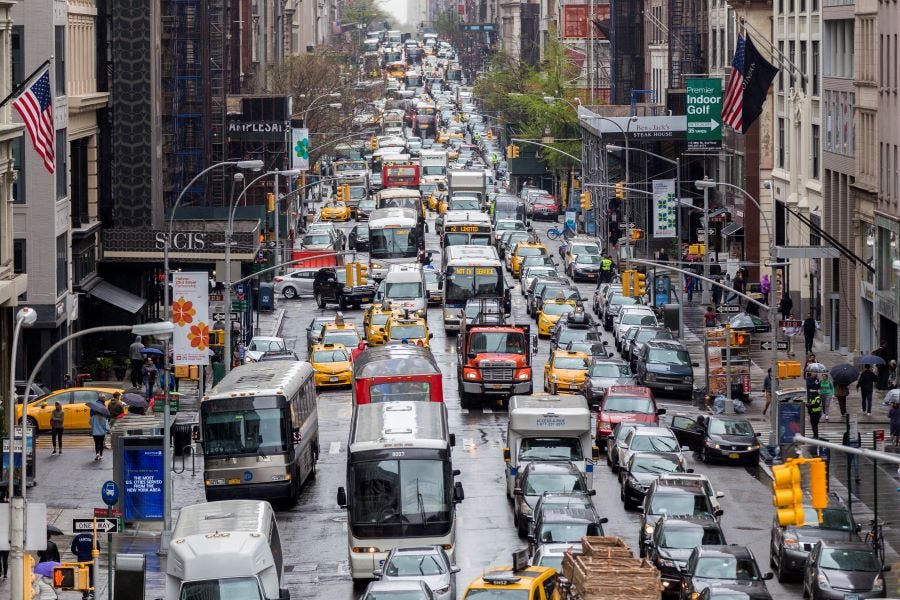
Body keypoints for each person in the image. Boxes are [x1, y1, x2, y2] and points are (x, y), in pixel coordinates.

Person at [71, 529, 98, 599]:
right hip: (90, 559)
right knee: (91, 575)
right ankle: (91, 591)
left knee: (83, 576)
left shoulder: (77, 537)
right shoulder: (92, 537)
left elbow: (73, 549)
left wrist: (79, 554)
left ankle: (85, 593)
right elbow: (97, 548)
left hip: (81, 560)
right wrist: (92, 555)